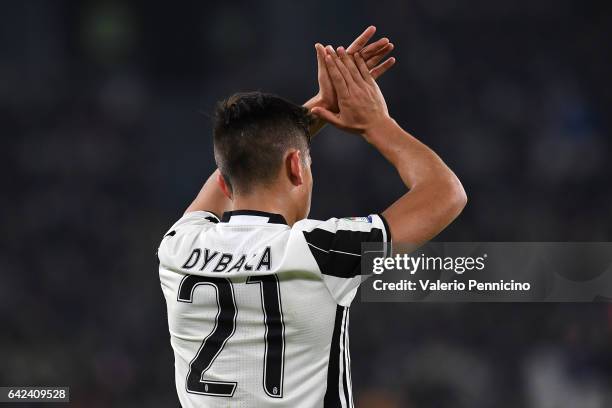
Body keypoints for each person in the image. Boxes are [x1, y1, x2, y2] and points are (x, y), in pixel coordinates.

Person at [158, 26, 466, 408]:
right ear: (296, 167)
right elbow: (445, 194)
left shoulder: (178, 248)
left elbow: (226, 175)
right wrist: (376, 123)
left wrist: (311, 113)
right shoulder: (318, 251)